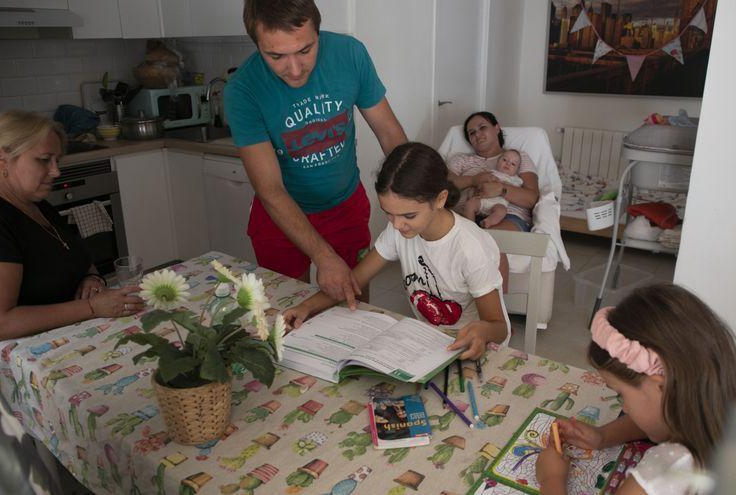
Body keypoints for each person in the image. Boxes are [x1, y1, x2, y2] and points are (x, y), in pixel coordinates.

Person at [225, 0, 407, 309]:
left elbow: (389, 134)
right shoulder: (242, 89)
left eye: (305, 50)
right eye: (276, 56)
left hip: (345, 207)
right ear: (256, 45)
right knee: (285, 312)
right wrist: (322, 255)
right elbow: (269, 188)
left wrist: (414, 197)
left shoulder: (350, 54)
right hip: (280, 216)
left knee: (354, 308)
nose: (294, 70)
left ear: (318, 32)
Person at [282, 142, 509, 360]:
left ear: (440, 199)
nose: (397, 225)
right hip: (430, 344)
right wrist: (305, 308)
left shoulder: (469, 248)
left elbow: (499, 328)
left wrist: (482, 331)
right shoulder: (398, 232)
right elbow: (354, 280)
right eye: (388, 213)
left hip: (473, 350)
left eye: (409, 216)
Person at [0, 110, 144, 353]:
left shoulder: (36, 205)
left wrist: (91, 278)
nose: (56, 172)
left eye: (56, 160)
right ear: (2, 159)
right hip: (25, 361)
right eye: (43, 160)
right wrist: (92, 307)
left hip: (72, 338)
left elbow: (77, 257)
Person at [535, 283, 736, 495]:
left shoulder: (661, 475)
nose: (625, 408)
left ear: (661, 385)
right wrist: (602, 436)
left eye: (620, 394)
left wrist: (551, 479)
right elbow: (657, 417)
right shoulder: (720, 415)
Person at [447, 111, 540, 233]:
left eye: (482, 127)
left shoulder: (517, 157)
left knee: (490, 243)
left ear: (497, 128)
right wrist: (472, 180)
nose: (477, 134)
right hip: (464, 215)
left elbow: (532, 199)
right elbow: (444, 187)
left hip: (507, 215)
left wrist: (502, 189)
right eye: (472, 133)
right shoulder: (460, 159)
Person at [463, 148, 525, 228]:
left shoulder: (515, 179)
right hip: (482, 200)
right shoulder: (490, 172)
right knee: (469, 204)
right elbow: (479, 182)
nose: (508, 164)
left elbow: (517, 191)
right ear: (498, 161)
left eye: (513, 164)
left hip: (498, 203)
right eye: (505, 160)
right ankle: (470, 225)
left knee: (502, 211)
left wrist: (503, 184)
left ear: (517, 170)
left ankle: (488, 222)